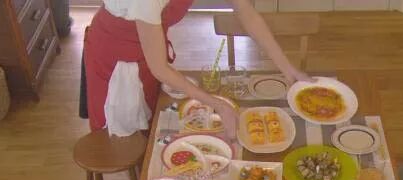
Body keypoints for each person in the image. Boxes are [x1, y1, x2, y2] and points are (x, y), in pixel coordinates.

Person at [84, 0, 313, 139]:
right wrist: (217, 105)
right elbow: (160, 69)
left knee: (150, 123)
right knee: (127, 135)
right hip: (117, 57)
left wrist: (287, 69)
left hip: (149, 50)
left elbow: (245, 11)